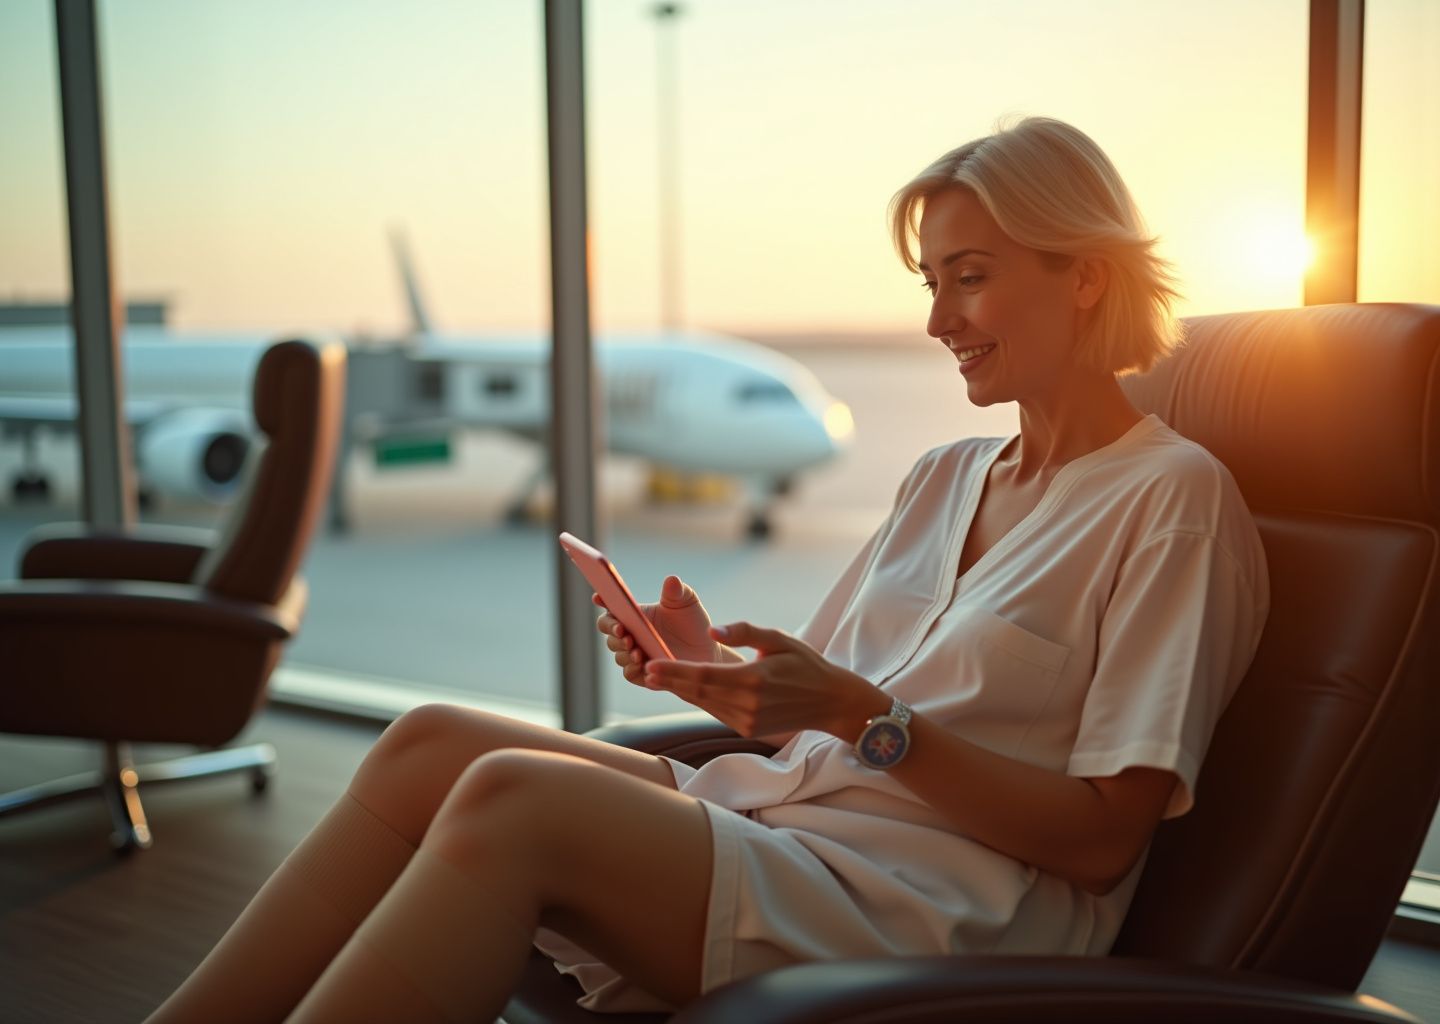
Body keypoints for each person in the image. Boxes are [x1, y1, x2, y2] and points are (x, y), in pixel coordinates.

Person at [145, 116, 1269, 1023]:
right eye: (930, 283)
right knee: (428, 740)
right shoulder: (946, 474)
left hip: (939, 909)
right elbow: (819, 721)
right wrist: (707, 673)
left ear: (1084, 275)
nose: (937, 319)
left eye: (968, 278)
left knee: (511, 798)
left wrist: (861, 714)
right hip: (804, 825)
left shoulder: (1170, 501)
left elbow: (1102, 836)